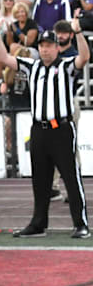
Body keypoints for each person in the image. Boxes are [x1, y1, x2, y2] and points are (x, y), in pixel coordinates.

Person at [0, 8, 91, 239]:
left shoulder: (65, 66)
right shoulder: (31, 66)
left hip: (62, 128)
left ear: (57, 47)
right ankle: (38, 223)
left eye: (49, 45)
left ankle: (80, 223)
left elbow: (84, 57)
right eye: (42, 46)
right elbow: (4, 58)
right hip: (39, 129)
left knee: (70, 176)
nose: (45, 49)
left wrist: (78, 33)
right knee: (40, 178)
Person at [50, 18, 81, 201]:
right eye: (58, 32)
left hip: (68, 103)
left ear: (70, 35)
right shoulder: (50, 53)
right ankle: (53, 187)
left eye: (64, 33)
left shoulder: (72, 54)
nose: (60, 36)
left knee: (70, 145)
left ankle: (73, 187)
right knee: (49, 145)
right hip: (50, 103)